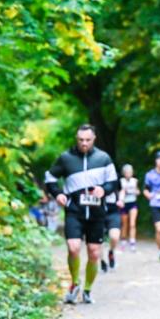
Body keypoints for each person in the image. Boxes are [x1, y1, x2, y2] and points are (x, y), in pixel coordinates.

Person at [45, 124, 118, 305]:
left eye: (88, 140)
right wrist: (58, 194)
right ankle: (74, 283)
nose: (84, 143)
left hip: (96, 214)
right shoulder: (66, 158)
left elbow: (113, 183)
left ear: (94, 139)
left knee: (94, 253)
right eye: (80, 140)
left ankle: (87, 290)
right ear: (76, 139)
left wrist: (104, 190)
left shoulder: (103, 158)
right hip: (74, 212)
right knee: (73, 247)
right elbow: (50, 178)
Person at [101, 170, 122, 272]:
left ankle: (111, 252)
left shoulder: (115, 180)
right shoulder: (96, 180)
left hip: (113, 212)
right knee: (98, 241)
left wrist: (121, 200)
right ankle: (102, 261)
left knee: (114, 237)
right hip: (99, 214)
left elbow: (122, 190)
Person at [118, 163, 139, 251]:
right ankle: (123, 242)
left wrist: (135, 191)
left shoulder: (135, 180)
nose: (128, 174)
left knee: (132, 223)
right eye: (126, 172)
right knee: (124, 224)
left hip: (133, 203)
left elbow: (138, 192)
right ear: (124, 173)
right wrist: (123, 192)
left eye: (130, 172)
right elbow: (118, 192)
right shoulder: (121, 181)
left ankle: (132, 242)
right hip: (124, 203)